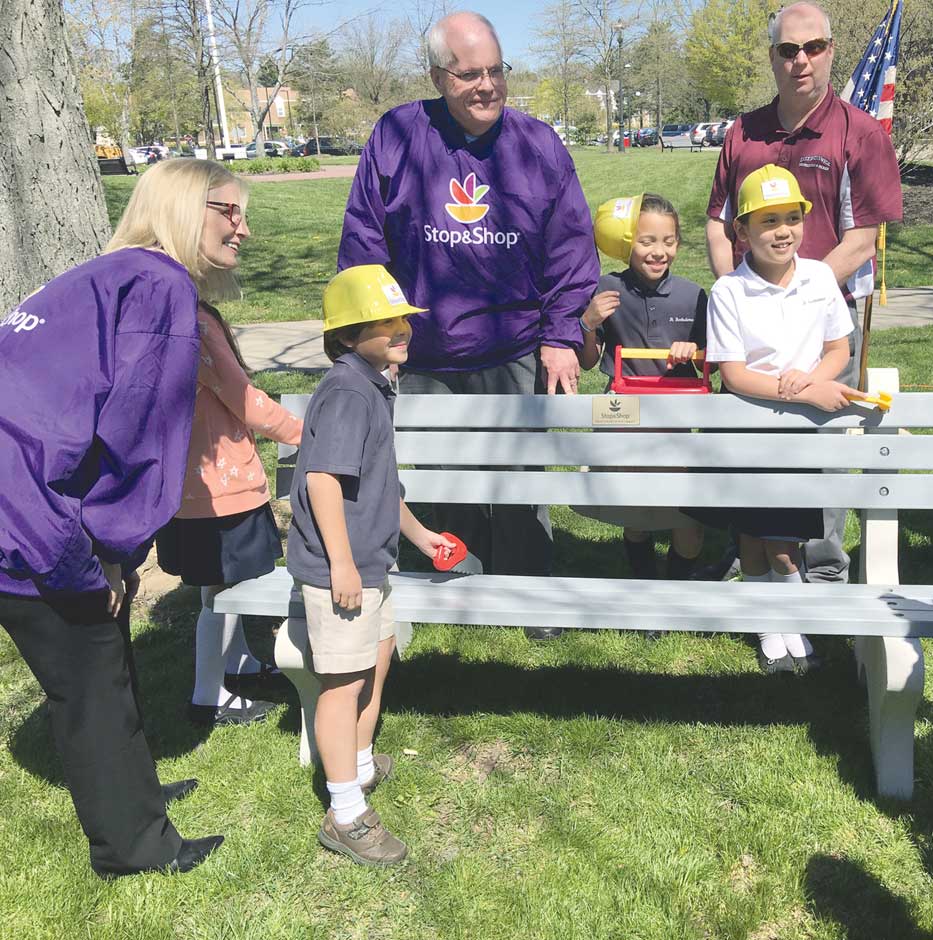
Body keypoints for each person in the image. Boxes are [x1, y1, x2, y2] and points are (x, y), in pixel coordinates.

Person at [0, 158, 241, 878]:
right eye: (227, 211)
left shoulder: (106, 275)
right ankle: (131, 848)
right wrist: (107, 547)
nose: (244, 228)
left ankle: (132, 796)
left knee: (107, 660)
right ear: (181, 208)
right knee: (90, 681)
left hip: (25, 491)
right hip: (28, 509)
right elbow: (136, 428)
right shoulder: (162, 286)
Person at [338, 11, 600, 639]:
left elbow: (572, 249)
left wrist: (562, 334)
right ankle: (459, 584)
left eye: (496, 71)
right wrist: (375, 339)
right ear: (437, 76)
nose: (487, 86)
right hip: (424, 351)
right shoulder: (398, 136)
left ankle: (529, 591)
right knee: (439, 475)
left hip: (512, 346)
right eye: (469, 75)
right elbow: (364, 244)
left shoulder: (537, 146)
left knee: (518, 479)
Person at [705, 0, 903, 586]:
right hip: (751, 318)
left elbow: (863, 238)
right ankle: (756, 556)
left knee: (819, 439)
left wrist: (803, 291)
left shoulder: (860, 134)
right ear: (772, 57)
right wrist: (736, 290)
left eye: (813, 47)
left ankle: (820, 572)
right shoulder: (743, 132)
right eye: (789, 49)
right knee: (753, 437)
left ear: (831, 51)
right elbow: (720, 221)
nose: (801, 60)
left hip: (823, 317)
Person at [287, 265, 457, 866]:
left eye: (402, 318)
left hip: (371, 563)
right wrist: (341, 565)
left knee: (376, 661)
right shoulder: (346, 392)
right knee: (344, 683)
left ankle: (358, 766)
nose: (400, 328)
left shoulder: (375, 385)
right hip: (346, 568)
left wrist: (421, 535)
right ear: (348, 333)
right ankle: (345, 813)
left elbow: (383, 489)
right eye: (384, 322)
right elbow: (323, 482)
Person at [706, 164, 861, 674]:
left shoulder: (819, 277)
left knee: (787, 541)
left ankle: (787, 619)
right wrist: (795, 389)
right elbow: (733, 374)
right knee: (755, 536)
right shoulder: (729, 291)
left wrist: (815, 381)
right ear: (741, 232)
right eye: (767, 221)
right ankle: (772, 626)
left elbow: (839, 348)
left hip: (803, 431)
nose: (782, 231)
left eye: (792, 218)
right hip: (750, 428)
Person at [156, 266, 303, 726]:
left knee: (221, 590)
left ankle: (237, 664)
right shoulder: (196, 323)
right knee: (221, 596)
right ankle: (208, 697)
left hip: (187, 488)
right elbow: (246, 400)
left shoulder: (161, 320)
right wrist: (306, 432)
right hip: (224, 492)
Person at [580, 193, 708, 587]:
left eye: (668, 241)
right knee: (635, 509)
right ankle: (643, 580)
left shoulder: (693, 295)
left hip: (677, 417)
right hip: (626, 416)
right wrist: (588, 323)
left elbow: (714, 363)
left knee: (685, 512)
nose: (659, 252)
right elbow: (587, 362)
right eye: (647, 241)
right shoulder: (607, 288)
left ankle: (678, 583)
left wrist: (695, 353)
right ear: (626, 243)